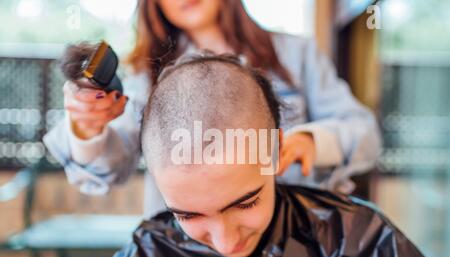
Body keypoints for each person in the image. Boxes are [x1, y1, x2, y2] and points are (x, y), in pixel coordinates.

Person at [100, 54, 449, 257]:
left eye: (247, 202)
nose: (226, 242)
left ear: (276, 152)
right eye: (188, 215)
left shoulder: (357, 243)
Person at [44, 0, 381, 218]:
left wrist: (312, 141)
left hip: (295, 247)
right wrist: (88, 131)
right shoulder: (146, 77)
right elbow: (110, 168)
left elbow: (364, 133)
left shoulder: (296, 55)